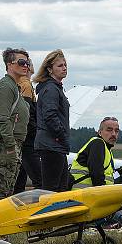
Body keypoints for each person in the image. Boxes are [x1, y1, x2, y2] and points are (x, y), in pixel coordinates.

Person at [0, 47, 30, 201]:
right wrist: (10, 147)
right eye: (21, 62)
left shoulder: (14, 86)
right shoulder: (6, 86)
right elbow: (2, 119)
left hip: (14, 144)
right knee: (2, 192)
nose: (25, 65)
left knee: (8, 190)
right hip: (7, 146)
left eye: (27, 62)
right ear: (9, 64)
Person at [33, 49, 70, 192]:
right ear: (50, 69)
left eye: (65, 65)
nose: (64, 68)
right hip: (51, 145)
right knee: (52, 190)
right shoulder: (51, 89)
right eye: (60, 66)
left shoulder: (54, 88)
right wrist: (62, 137)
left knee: (60, 188)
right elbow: (50, 116)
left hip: (54, 145)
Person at [13, 53, 40, 193]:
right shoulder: (26, 84)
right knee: (39, 178)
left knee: (20, 176)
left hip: (19, 136)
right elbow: (27, 114)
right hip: (28, 137)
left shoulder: (17, 83)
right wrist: (35, 131)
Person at [71, 117, 121, 187]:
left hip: (87, 194)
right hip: (84, 195)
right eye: (109, 130)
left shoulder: (107, 150)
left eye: (116, 131)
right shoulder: (98, 143)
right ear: (100, 132)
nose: (113, 134)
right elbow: (97, 175)